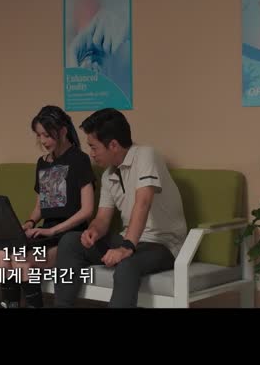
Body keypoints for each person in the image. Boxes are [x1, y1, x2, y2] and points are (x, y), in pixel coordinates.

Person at [53, 108, 187, 308]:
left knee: (127, 264)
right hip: (130, 239)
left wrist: (126, 248)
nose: (91, 154)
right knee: (70, 242)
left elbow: (143, 202)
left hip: (163, 244)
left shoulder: (146, 155)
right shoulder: (109, 175)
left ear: (113, 145)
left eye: (94, 147)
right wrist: (93, 231)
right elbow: (103, 219)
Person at [0, 105, 95, 308]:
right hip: (46, 232)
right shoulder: (43, 163)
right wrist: (30, 223)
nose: (42, 141)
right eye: (39, 135)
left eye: (47, 135)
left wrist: (52, 230)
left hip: (69, 236)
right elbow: (40, 206)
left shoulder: (79, 160)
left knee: (21, 260)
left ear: (63, 131)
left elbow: (87, 210)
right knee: (1, 255)